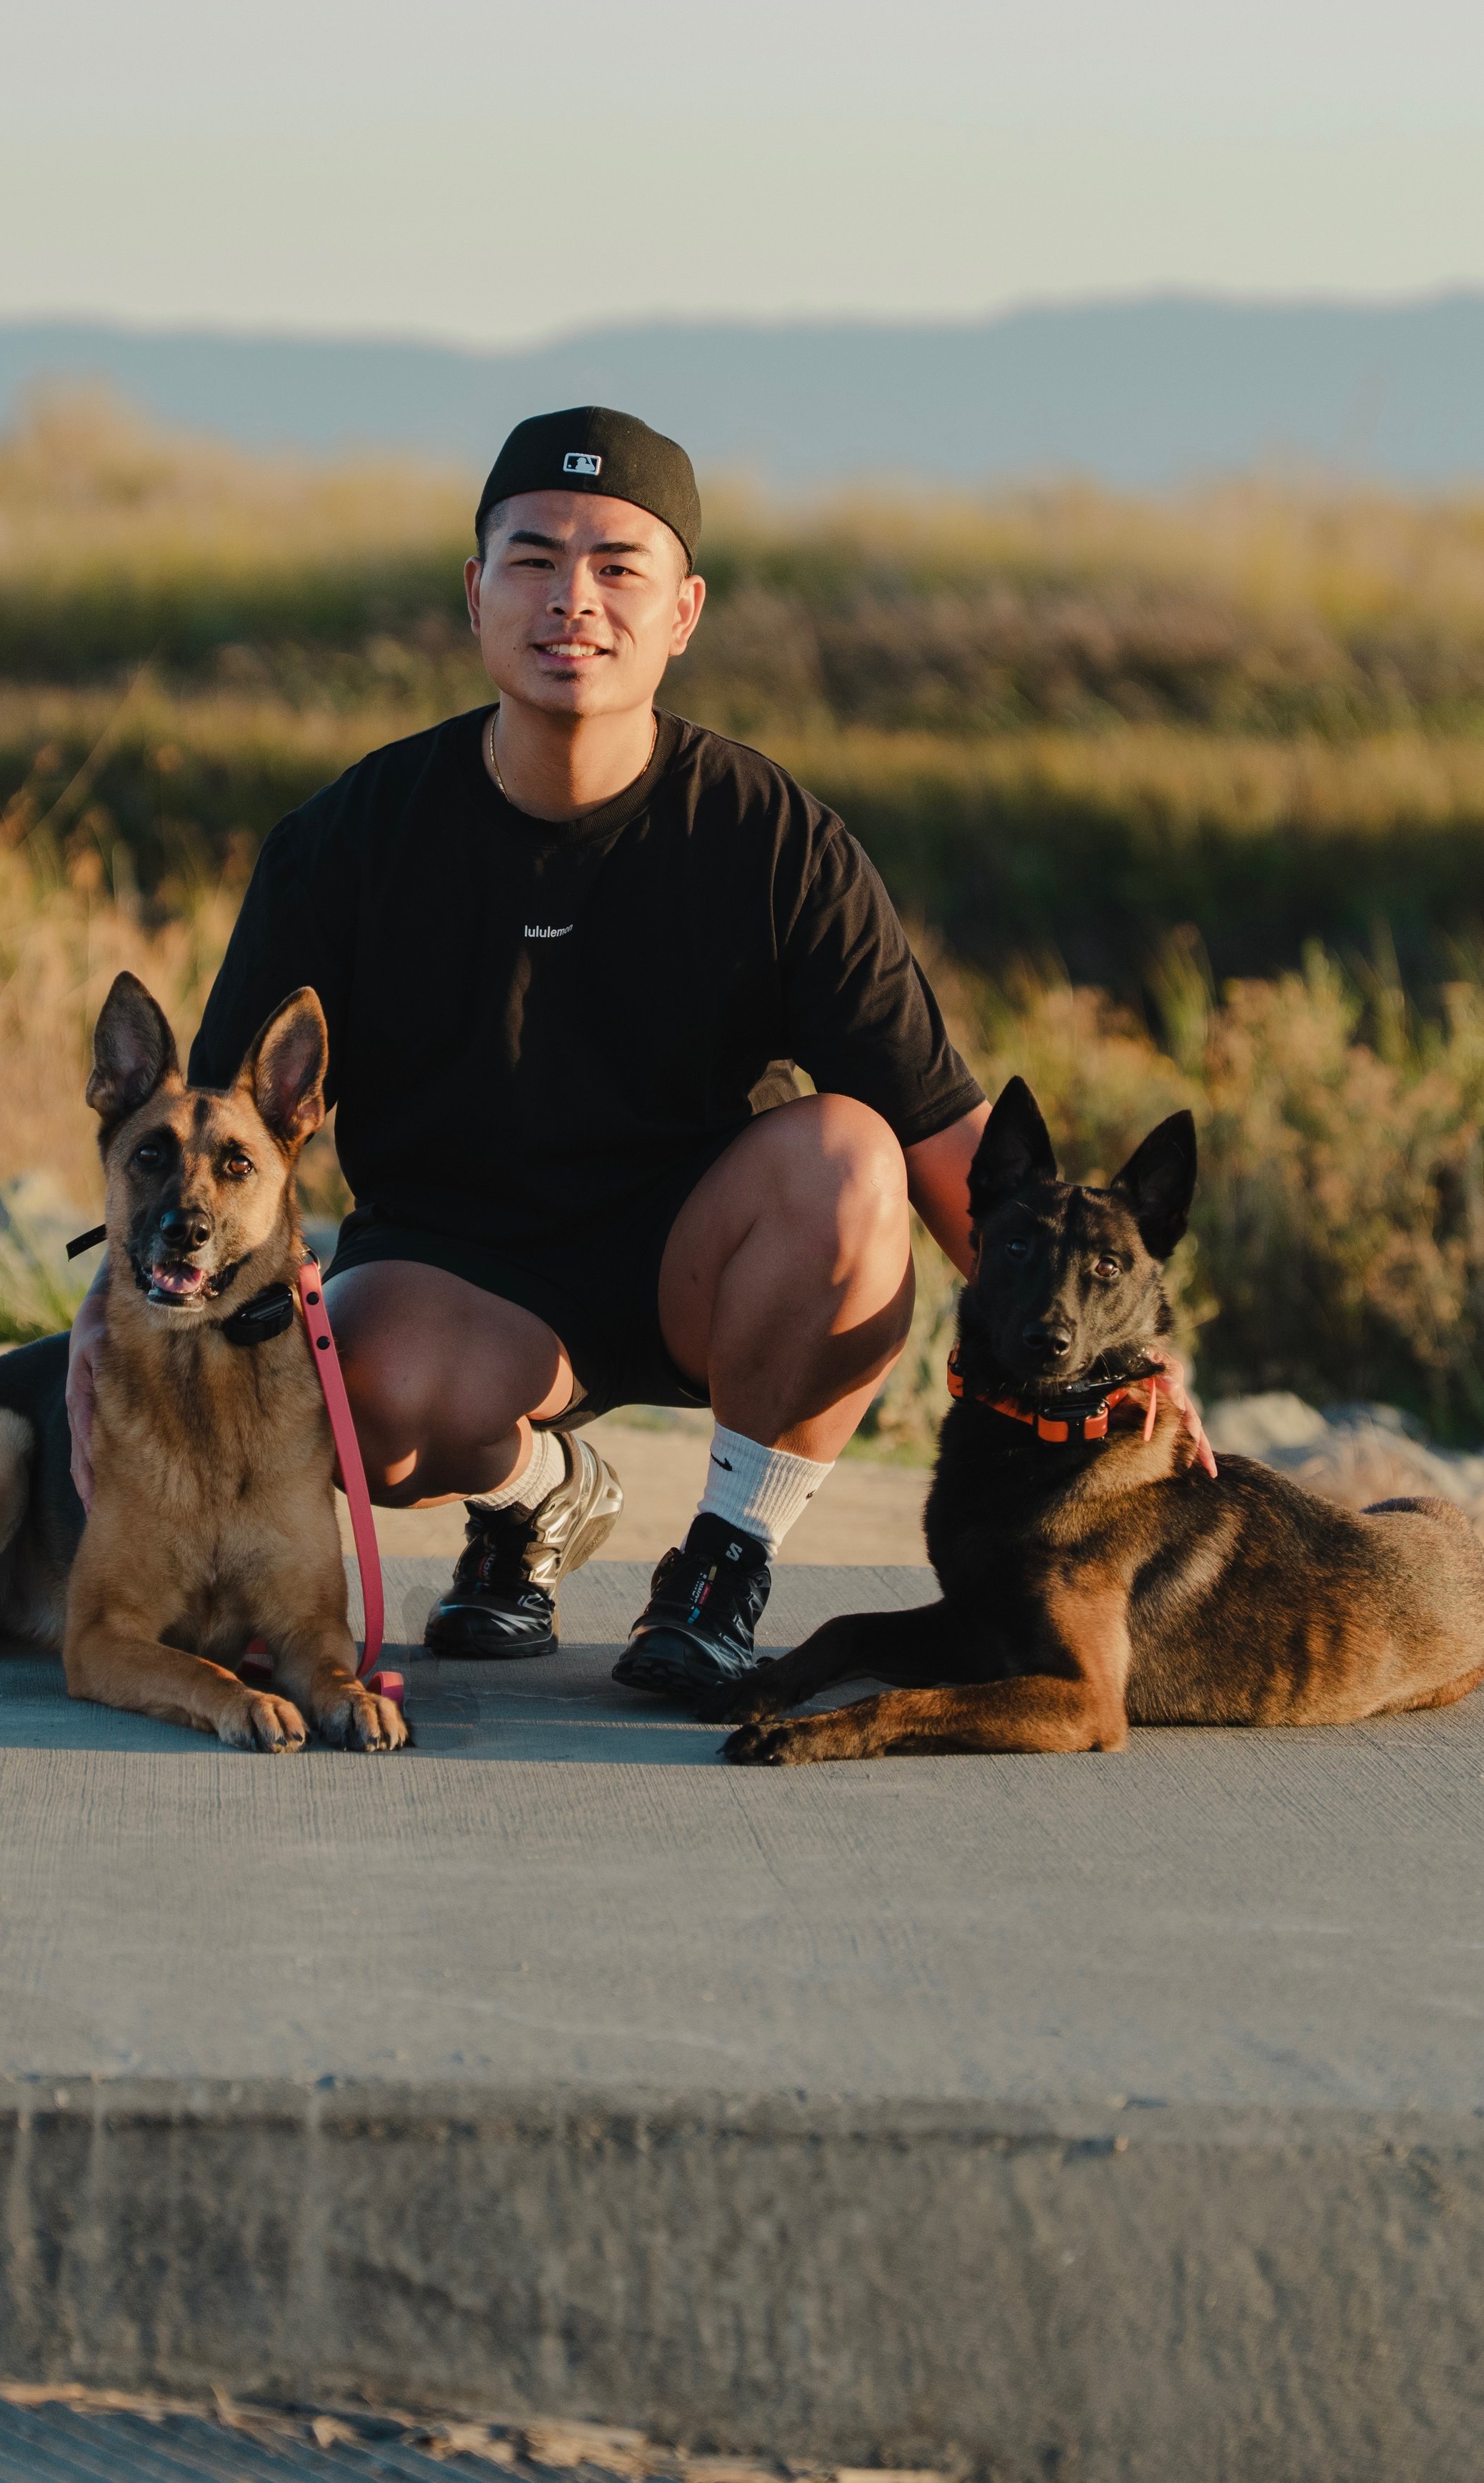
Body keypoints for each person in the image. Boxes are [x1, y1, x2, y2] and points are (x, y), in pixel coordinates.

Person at [69, 401, 996, 1702]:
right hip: (456, 1276)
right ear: (474, 592)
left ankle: (725, 1560)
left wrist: (1118, 1367)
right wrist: (100, 1321)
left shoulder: (774, 839)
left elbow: (949, 1143)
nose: (576, 598)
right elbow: (194, 1136)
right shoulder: (352, 835)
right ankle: (537, 1498)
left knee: (853, 1161)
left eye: (620, 566)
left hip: (694, 1265)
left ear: (683, 610)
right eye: (536, 559)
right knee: (356, 1393)